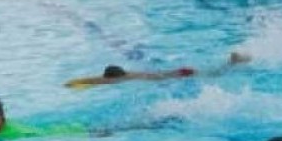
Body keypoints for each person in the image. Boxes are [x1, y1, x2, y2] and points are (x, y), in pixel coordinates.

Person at [64, 51, 250, 88]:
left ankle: (234, 62)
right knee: (211, 73)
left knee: (214, 76)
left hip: (179, 75)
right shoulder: (127, 73)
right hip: (179, 71)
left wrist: (73, 83)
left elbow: (97, 80)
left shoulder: (123, 79)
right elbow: (98, 79)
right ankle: (234, 61)